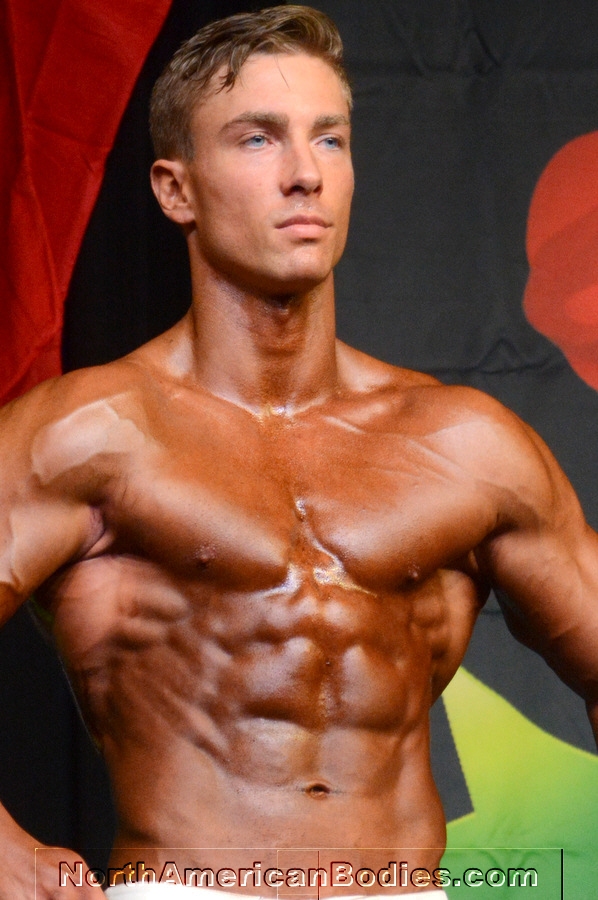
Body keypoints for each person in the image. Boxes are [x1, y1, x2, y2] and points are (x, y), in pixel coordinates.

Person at [0, 5, 597, 898]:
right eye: (257, 139)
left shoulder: (466, 445)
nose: (304, 174)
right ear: (175, 189)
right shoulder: (89, 434)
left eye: (329, 139)